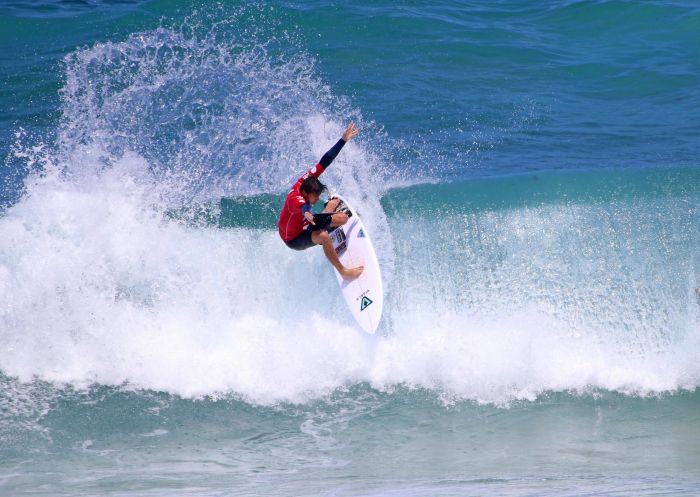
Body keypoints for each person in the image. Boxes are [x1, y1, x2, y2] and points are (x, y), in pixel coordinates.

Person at [278, 123, 364, 280]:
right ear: (305, 193)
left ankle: (333, 228)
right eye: (315, 196)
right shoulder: (295, 198)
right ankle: (343, 272)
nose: (317, 199)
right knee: (324, 236)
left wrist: (342, 140)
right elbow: (303, 207)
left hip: (307, 222)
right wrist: (309, 215)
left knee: (340, 211)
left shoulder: (305, 181)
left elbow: (325, 160)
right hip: (293, 238)